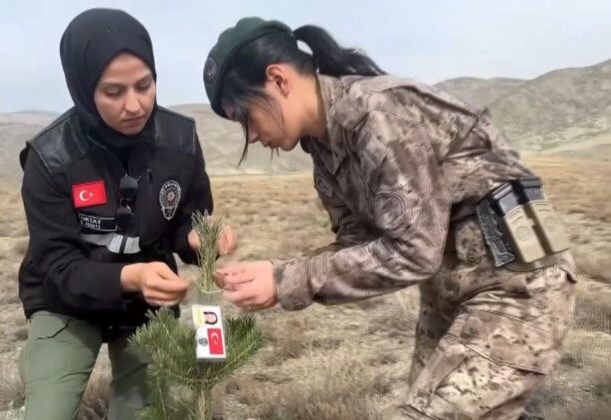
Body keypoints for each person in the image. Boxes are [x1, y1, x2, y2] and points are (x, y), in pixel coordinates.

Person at [204, 17, 575, 419]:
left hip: (515, 283)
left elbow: (414, 251)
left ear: (277, 80)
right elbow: (358, 246)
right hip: (451, 287)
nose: (252, 136)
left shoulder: (375, 114)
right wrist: (279, 271)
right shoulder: (325, 152)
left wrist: (286, 281)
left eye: (245, 117)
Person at [16, 8, 236, 420]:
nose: (135, 105)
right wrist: (129, 276)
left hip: (146, 305)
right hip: (66, 302)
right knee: (47, 412)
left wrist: (197, 237)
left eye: (144, 85)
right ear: (83, 88)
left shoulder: (180, 140)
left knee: (147, 412)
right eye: (113, 92)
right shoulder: (50, 158)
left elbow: (187, 215)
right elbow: (58, 266)